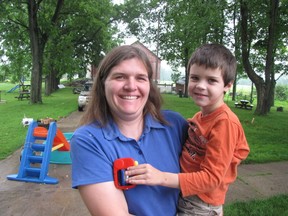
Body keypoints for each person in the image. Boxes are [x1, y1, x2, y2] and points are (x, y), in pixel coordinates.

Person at [126, 43, 250, 215]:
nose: (200, 85)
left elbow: (211, 179)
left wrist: (161, 177)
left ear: (227, 85)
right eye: (195, 78)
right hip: (188, 194)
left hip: (200, 203)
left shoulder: (225, 123)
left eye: (211, 80)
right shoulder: (201, 117)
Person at [70, 45, 188, 216]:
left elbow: (210, 174)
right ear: (103, 83)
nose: (131, 86)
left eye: (141, 78)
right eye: (120, 77)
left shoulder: (174, 125)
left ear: (149, 85)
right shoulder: (88, 140)